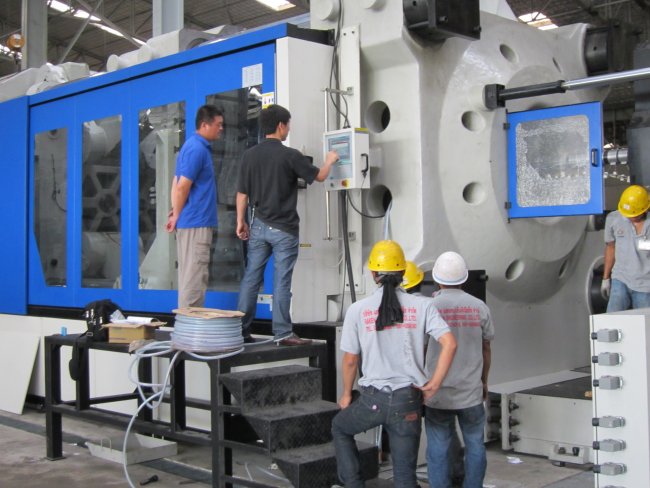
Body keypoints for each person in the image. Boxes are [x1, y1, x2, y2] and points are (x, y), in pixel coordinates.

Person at [332, 240, 457, 488]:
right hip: (409, 400)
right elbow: (450, 343)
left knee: (340, 428)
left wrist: (346, 394)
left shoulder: (358, 310)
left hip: (373, 400)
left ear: (373, 273)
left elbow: (350, 360)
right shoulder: (423, 306)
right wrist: (433, 385)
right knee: (404, 476)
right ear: (403, 272)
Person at [236, 104, 339, 345]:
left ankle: (240, 331)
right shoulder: (290, 155)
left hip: (258, 226)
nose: (289, 129)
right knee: (281, 281)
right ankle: (282, 333)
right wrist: (330, 160)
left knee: (251, 279)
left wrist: (241, 221)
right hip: (284, 229)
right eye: (288, 125)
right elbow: (320, 176)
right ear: (281, 125)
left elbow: (242, 193)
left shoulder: (249, 156)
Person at [424, 251, 494, 488]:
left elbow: (421, 348)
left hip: (437, 392)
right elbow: (486, 348)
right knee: (475, 444)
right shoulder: (479, 306)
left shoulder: (429, 307)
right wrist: (484, 382)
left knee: (438, 446)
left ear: (436, 278)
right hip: (470, 391)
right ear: (464, 278)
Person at [166, 105, 224, 308]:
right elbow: (182, 186)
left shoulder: (190, 146)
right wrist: (176, 214)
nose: (221, 128)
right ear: (204, 125)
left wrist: (175, 212)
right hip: (196, 224)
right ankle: (188, 327)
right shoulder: (197, 150)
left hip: (191, 222)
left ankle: (186, 326)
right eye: (218, 124)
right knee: (194, 283)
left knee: (189, 279)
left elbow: (176, 182)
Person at [601, 184, 650, 312]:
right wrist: (606, 278)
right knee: (612, 320)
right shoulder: (613, 219)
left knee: (645, 322)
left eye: (634, 214)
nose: (629, 217)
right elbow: (611, 248)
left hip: (645, 285)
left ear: (645, 209)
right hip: (620, 279)